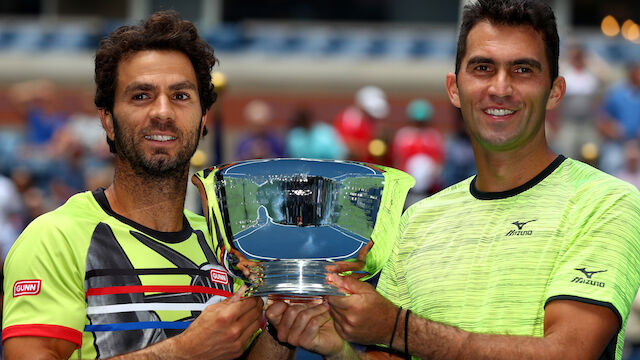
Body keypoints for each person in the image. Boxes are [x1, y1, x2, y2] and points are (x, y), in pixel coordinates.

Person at [265, 1, 640, 359]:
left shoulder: (606, 202)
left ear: (555, 92)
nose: (501, 88)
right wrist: (338, 349)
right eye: (482, 68)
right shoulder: (418, 220)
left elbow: (569, 354)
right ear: (454, 88)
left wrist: (397, 328)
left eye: (523, 70)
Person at [2, 11, 290, 360]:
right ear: (108, 121)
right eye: (141, 96)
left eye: (181, 96)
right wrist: (185, 351)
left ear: (203, 120)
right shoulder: (56, 237)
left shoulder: (229, 248)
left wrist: (280, 330)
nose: (163, 112)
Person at [598, 63, 640, 174]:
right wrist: (612, 130)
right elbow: (603, 119)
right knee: (611, 162)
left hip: (638, 141)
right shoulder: (616, 94)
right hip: (619, 142)